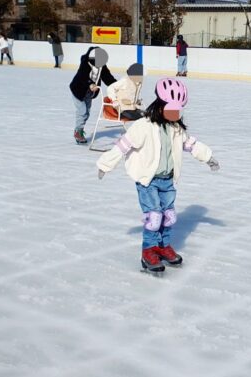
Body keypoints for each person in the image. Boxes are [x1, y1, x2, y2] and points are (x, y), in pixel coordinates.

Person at [97, 78, 219, 273]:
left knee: (168, 216)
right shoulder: (143, 126)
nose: (176, 113)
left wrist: (208, 157)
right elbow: (123, 144)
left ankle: (162, 246)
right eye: (172, 108)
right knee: (154, 216)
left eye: (178, 109)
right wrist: (105, 164)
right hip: (148, 180)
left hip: (168, 179)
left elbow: (191, 144)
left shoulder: (176, 128)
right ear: (161, 106)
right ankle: (148, 250)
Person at [70, 46, 117, 144]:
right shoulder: (85, 63)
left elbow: (107, 77)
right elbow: (82, 76)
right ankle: (78, 132)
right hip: (78, 90)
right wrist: (90, 83)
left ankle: (80, 129)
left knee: (86, 113)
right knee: (82, 111)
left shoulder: (102, 66)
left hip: (89, 93)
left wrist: (117, 85)